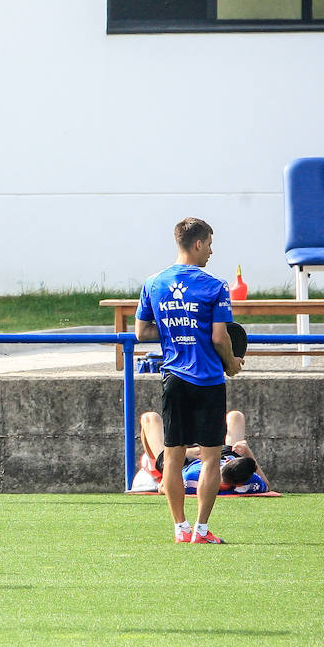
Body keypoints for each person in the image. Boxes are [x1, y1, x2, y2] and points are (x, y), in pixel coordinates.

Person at [134, 217, 243, 544]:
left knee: (174, 453)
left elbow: (142, 332)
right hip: (209, 381)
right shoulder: (216, 285)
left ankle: (180, 528)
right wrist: (232, 364)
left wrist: (175, 333)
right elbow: (220, 337)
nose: (211, 250)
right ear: (198, 243)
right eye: (209, 243)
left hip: (174, 380)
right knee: (211, 458)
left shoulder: (154, 283)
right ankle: (200, 529)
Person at [138, 410, 270, 495]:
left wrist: (184, 453)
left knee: (149, 418)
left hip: (185, 463)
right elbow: (267, 486)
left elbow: (163, 488)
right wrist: (247, 453)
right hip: (218, 456)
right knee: (236, 416)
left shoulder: (191, 478)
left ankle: (152, 460)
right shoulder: (250, 482)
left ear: (228, 462)